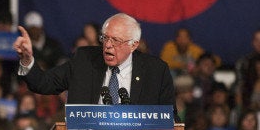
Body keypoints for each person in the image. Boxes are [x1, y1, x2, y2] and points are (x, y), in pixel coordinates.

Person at [14, 13, 176, 112]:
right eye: (105, 38)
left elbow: (171, 120)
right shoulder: (84, 60)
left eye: (116, 40)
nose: (107, 45)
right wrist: (27, 59)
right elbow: (43, 83)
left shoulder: (156, 71)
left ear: (133, 44)